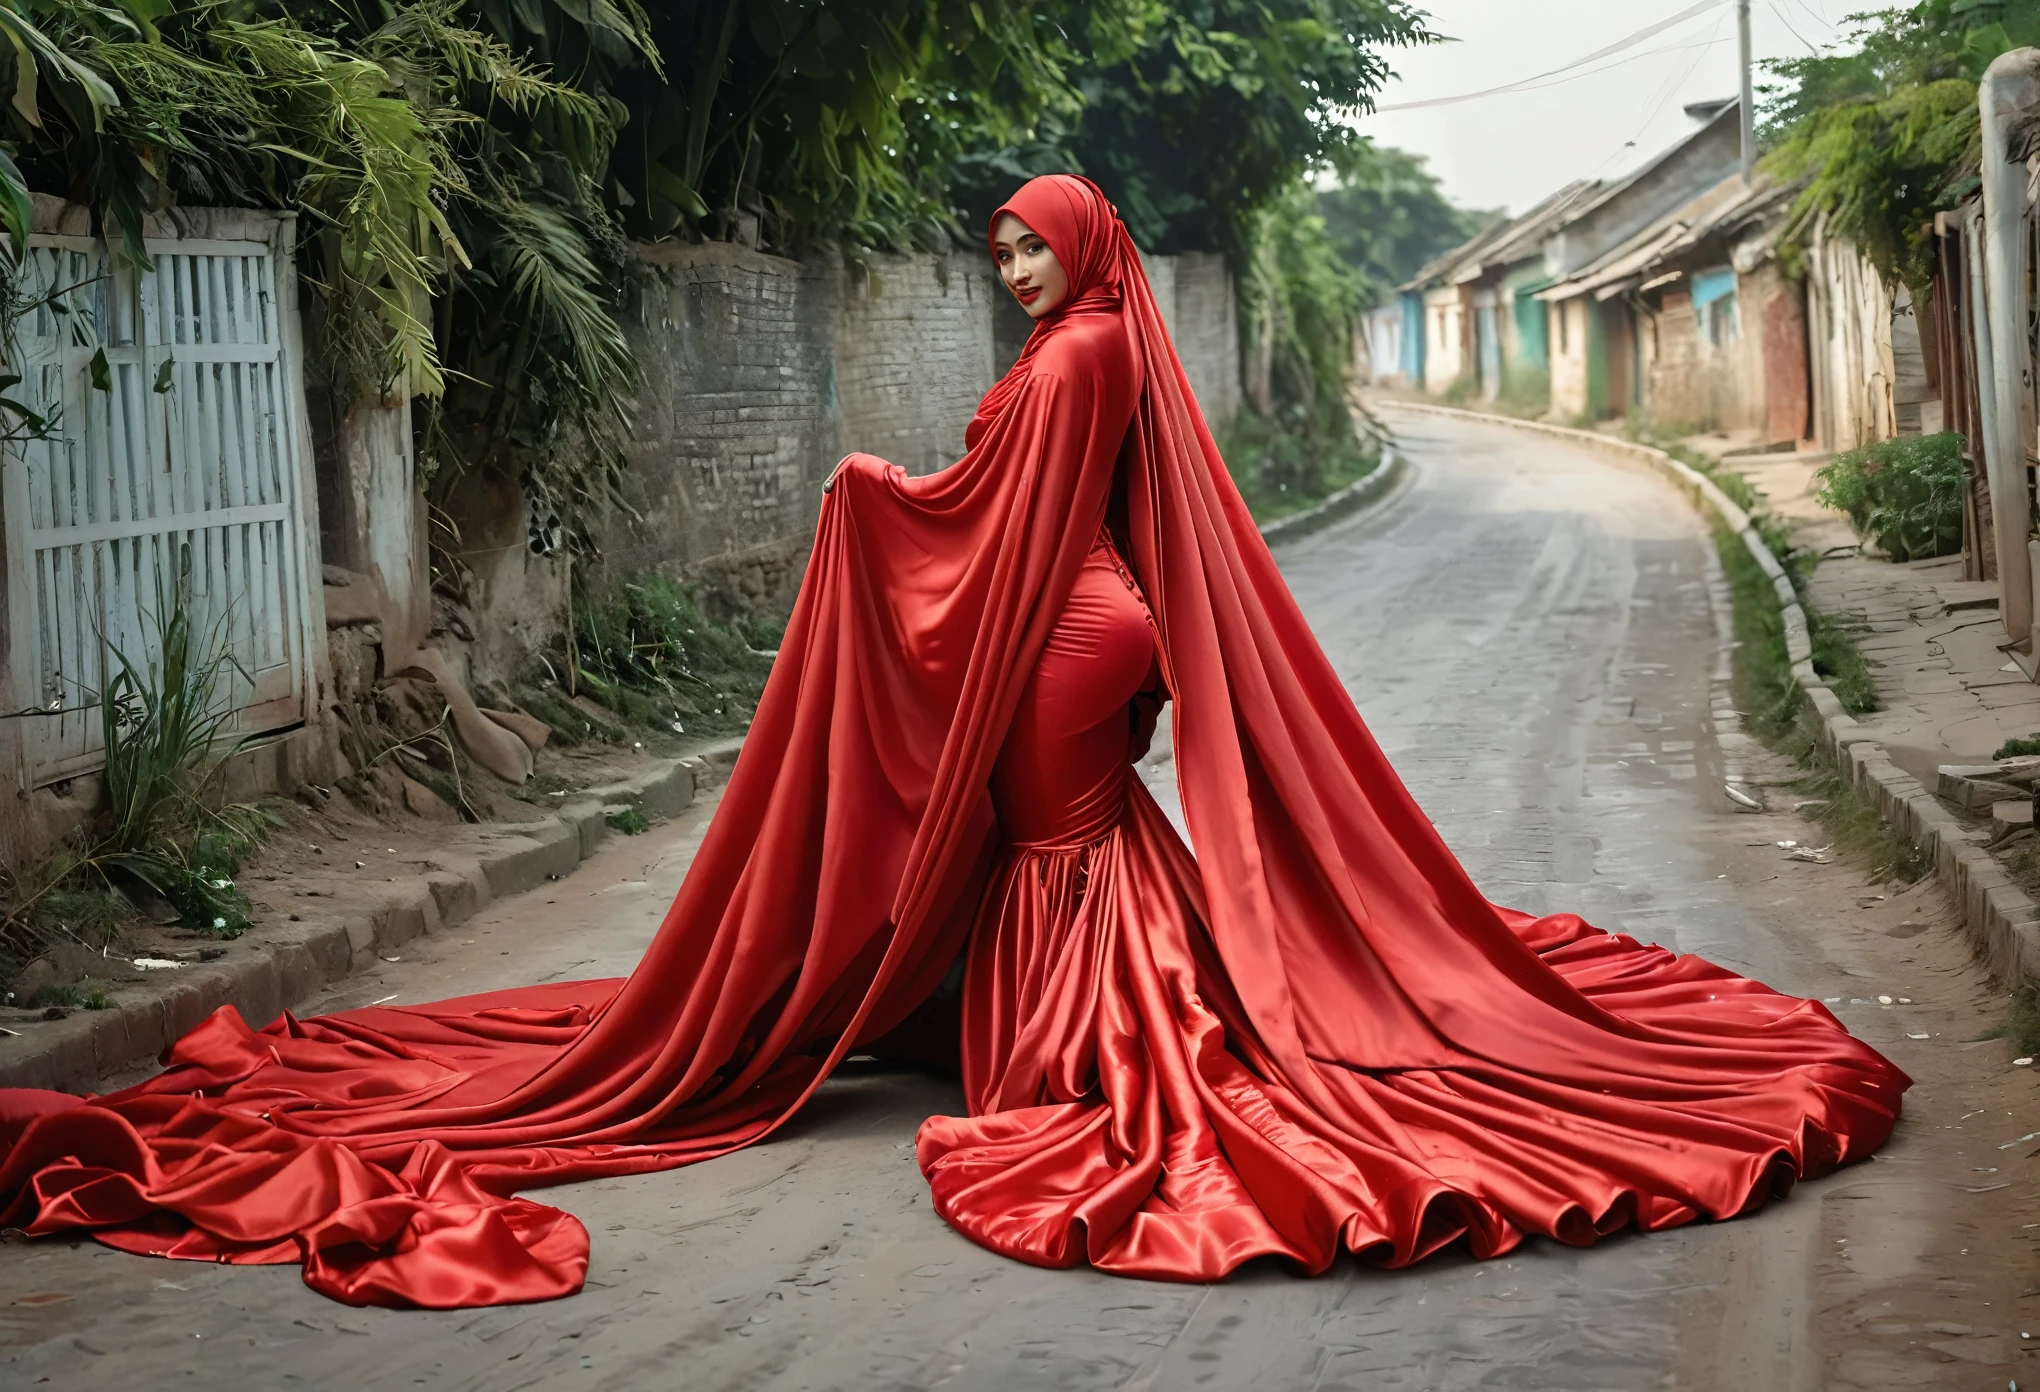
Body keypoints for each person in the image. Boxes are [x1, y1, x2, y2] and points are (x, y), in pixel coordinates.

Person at [0, 176, 1906, 1309]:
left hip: (1071, 638)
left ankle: (1095, 1039)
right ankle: (1109, 1015)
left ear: (1083, 253)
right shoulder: (1112, 347)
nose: (1010, 276)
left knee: (1058, 846)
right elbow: (1031, 518)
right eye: (994, 256)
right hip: (1106, 628)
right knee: (1062, 848)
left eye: (1026, 249)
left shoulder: (1077, 362)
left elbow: (987, 527)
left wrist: (859, 491)